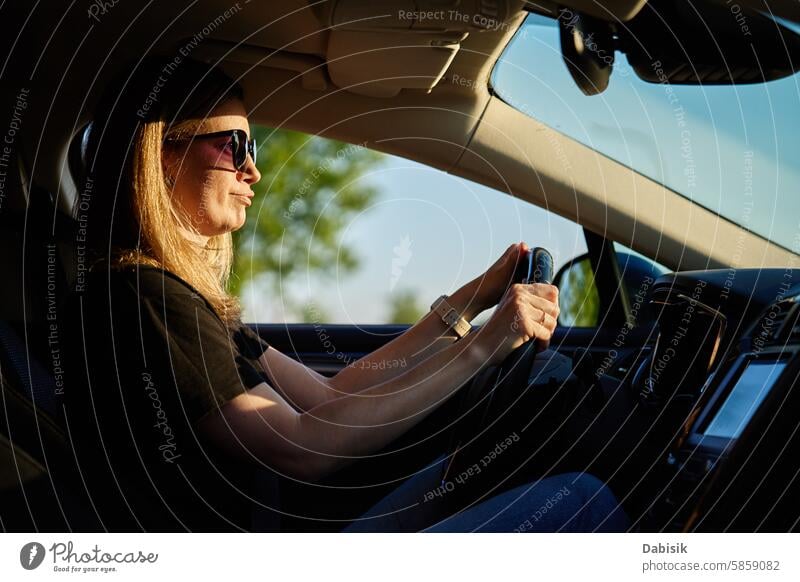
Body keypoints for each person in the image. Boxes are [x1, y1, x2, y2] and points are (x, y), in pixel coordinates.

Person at [61, 54, 628, 532]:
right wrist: (484, 347)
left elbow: (330, 398)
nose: (254, 170)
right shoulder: (144, 298)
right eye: (236, 146)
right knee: (583, 500)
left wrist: (470, 303)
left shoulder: (184, 298)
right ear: (162, 157)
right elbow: (304, 448)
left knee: (512, 461)